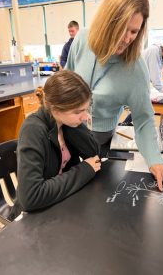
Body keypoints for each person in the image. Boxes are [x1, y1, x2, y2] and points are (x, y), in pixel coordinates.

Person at [66, 0, 163, 191]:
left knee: (94, 199)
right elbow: (66, 79)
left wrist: (154, 159)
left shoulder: (136, 68)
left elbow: (143, 120)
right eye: (122, 28)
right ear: (107, 22)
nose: (126, 38)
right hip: (68, 133)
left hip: (99, 141)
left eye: (134, 31)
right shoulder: (82, 39)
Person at [13, 70, 101, 215]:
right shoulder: (33, 130)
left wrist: (75, 122)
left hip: (60, 202)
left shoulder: (64, 122)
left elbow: (94, 155)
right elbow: (30, 197)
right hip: (34, 216)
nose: (85, 117)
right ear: (55, 109)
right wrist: (84, 170)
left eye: (86, 109)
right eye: (78, 111)